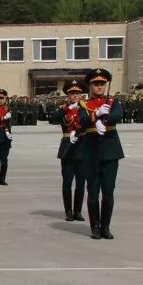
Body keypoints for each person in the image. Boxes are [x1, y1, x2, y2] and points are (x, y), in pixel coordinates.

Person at [78, 68, 124, 240]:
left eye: (102, 84)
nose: (99, 86)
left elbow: (118, 115)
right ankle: (94, 227)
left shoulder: (113, 102)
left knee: (108, 192)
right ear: (90, 85)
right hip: (91, 151)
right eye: (96, 84)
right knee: (93, 191)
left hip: (110, 150)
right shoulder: (84, 104)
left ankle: (105, 227)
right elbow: (81, 120)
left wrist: (108, 117)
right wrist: (96, 115)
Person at [49, 80, 87, 222]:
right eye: (72, 94)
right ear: (67, 95)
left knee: (81, 183)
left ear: (81, 95)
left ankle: (78, 211)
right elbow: (53, 118)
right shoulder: (63, 108)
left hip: (83, 146)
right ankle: (68, 211)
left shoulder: (86, 108)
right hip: (68, 148)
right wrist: (68, 108)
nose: (75, 96)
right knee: (67, 182)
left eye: (77, 93)